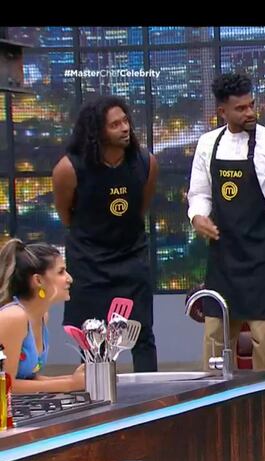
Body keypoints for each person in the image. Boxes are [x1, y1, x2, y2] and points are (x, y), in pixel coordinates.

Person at [188, 73, 265, 444]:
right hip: (224, 258)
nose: (250, 112)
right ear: (222, 111)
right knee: (216, 343)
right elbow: (199, 193)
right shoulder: (207, 144)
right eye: (240, 108)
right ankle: (213, 412)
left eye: (252, 105)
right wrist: (198, 217)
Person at [53, 95, 158, 372]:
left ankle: (153, 396)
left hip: (131, 257)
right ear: (97, 132)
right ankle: (96, 395)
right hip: (89, 263)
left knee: (142, 334)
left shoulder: (145, 162)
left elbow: (140, 208)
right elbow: (66, 215)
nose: (125, 128)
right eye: (115, 125)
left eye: (125, 121)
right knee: (92, 340)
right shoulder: (69, 168)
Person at [0, 239, 84, 393]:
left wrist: (76, 379)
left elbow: (28, 379)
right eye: (61, 272)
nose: (69, 279)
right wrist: (70, 384)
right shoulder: (13, 317)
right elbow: (4, 385)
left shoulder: (42, 316)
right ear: (38, 280)